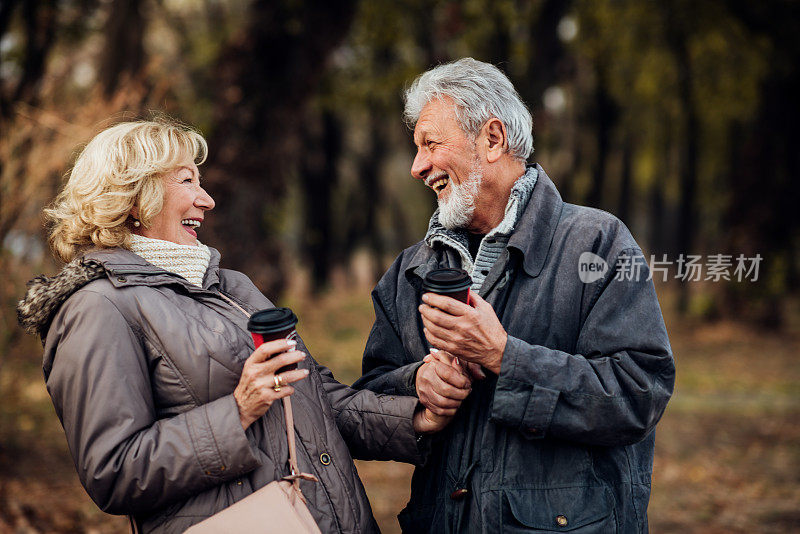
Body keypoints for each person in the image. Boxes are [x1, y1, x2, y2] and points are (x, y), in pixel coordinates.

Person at [16, 119, 450, 534]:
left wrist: (413, 416)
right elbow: (113, 471)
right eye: (187, 182)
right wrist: (238, 410)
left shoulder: (228, 286)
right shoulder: (95, 306)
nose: (207, 200)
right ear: (133, 197)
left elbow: (312, 393)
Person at [353, 58, 675, 533]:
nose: (417, 165)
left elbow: (639, 392)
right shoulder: (410, 271)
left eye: (430, 144)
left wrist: (505, 357)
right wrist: (415, 391)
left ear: (493, 139)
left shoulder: (598, 243)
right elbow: (366, 402)